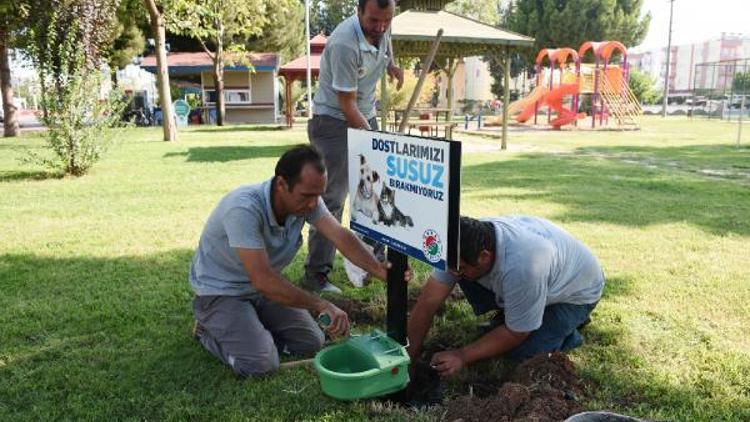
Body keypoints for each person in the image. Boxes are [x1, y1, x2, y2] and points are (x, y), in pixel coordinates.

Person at [189, 145, 408, 378]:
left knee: (311, 342)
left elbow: (339, 235)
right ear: (282, 184)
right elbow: (263, 279)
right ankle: (206, 330)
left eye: (318, 195)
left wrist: (378, 270)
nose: (314, 204)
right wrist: (321, 304)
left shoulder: (306, 200)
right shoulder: (243, 208)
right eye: (307, 196)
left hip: (261, 291)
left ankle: (251, 328)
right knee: (261, 365)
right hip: (222, 293)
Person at [408, 216, 605, 377]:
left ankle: (569, 332)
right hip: (537, 280)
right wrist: (408, 357)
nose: (454, 273)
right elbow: (427, 304)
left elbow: (517, 332)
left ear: (485, 256)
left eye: (461, 268)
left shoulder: (523, 267)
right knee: (466, 278)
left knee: (521, 352)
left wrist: (462, 355)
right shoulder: (461, 247)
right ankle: (525, 311)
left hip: (576, 294)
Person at [305, 0, 404, 293]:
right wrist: (373, 139)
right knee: (332, 199)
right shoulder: (344, 45)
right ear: (358, 11)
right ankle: (316, 275)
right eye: (373, 20)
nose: (380, 27)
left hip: (365, 113)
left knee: (376, 189)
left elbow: (386, 42)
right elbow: (346, 104)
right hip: (333, 122)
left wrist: (392, 65)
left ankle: (373, 260)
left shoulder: (382, 25)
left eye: (386, 20)